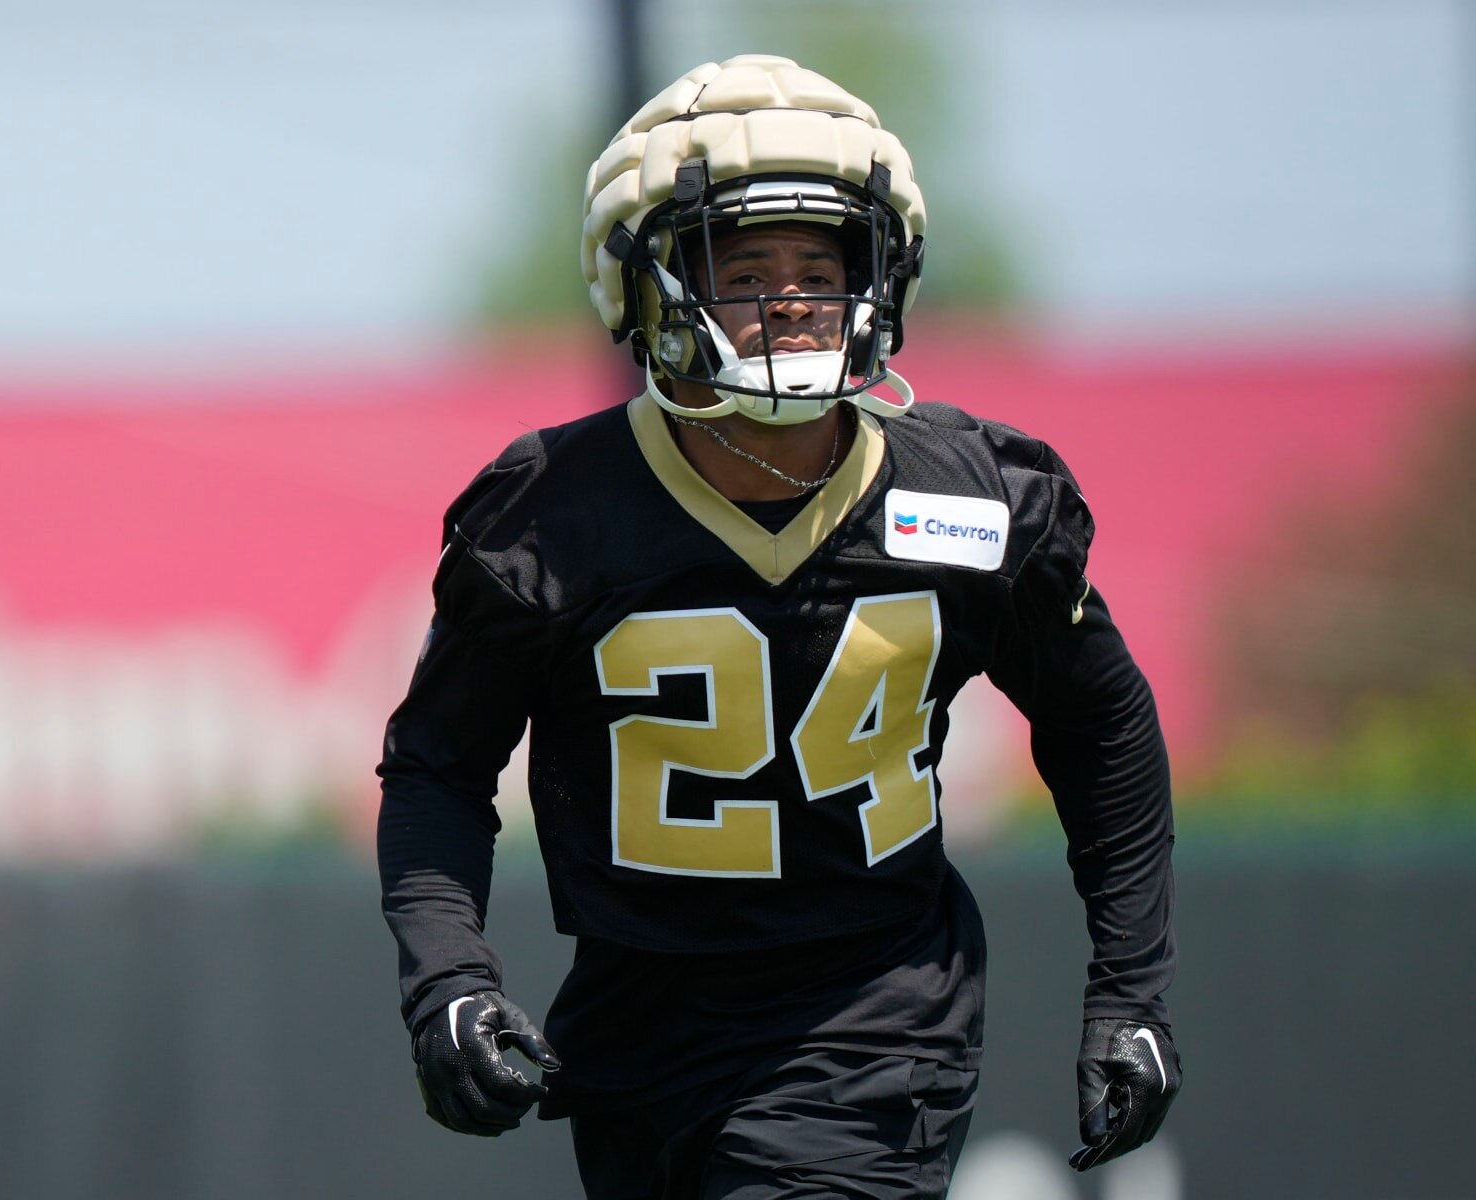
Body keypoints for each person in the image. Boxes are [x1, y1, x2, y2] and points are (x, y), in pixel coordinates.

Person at [378, 54, 1179, 1199]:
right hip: (636, 1035)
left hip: (871, 1025)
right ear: (651, 292)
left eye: (821, 263)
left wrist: (1132, 994)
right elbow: (435, 767)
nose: (795, 297)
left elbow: (1104, 723)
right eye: (745, 266)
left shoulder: (966, 499)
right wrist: (448, 980)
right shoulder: (555, 516)